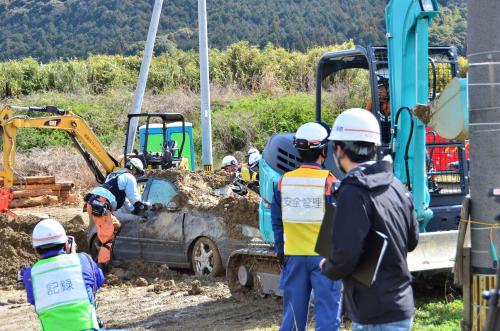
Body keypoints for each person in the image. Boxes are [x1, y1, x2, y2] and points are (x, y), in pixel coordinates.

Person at [320, 108, 419, 331]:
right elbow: (412, 241)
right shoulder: (397, 185)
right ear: (374, 147)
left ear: (339, 150)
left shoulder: (352, 192)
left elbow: (346, 254)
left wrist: (329, 266)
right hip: (401, 303)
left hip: (372, 311)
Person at [271, 122, 342, 331]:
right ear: (324, 150)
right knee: (328, 316)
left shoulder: (283, 183)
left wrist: (280, 251)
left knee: (292, 318)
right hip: (324, 258)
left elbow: (277, 222)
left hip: (293, 256)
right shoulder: (330, 182)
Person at [21, 219, 104, 331]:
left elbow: (34, 299)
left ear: (36, 250)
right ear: (66, 244)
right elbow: (98, 280)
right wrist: (73, 257)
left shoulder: (30, 274)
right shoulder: (83, 260)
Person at [85, 158, 150, 265]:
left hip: (95, 203)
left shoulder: (115, 175)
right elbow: (134, 199)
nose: (137, 177)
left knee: (116, 225)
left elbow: (128, 206)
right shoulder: (129, 177)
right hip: (101, 205)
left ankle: (110, 255)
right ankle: (102, 267)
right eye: (138, 173)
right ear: (133, 169)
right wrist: (143, 207)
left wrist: (136, 213)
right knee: (107, 239)